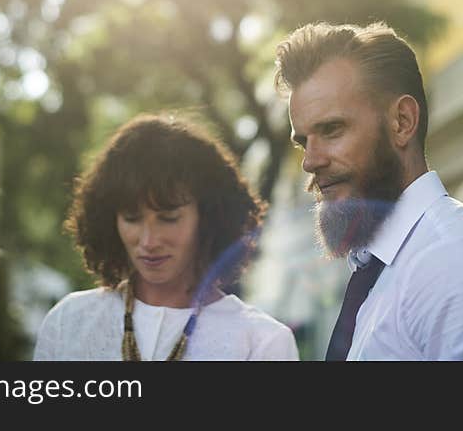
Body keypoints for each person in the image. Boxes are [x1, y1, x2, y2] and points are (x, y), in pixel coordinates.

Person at [274, 22, 463, 360]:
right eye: (303, 143)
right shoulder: (381, 269)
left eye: (331, 129)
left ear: (402, 122)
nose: (310, 162)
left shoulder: (460, 262)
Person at [33, 114, 299, 361]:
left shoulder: (262, 343)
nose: (149, 241)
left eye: (168, 218)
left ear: (209, 217)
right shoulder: (69, 322)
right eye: (132, 218)